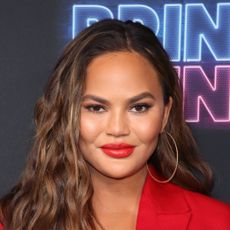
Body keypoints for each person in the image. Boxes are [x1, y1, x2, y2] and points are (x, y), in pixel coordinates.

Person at [0, 19, 229, 230]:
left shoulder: (217, 222)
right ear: (66, 112)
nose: (118, 129)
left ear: (166, 114)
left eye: (139, 107)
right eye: (96, 107)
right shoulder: (12, 221)